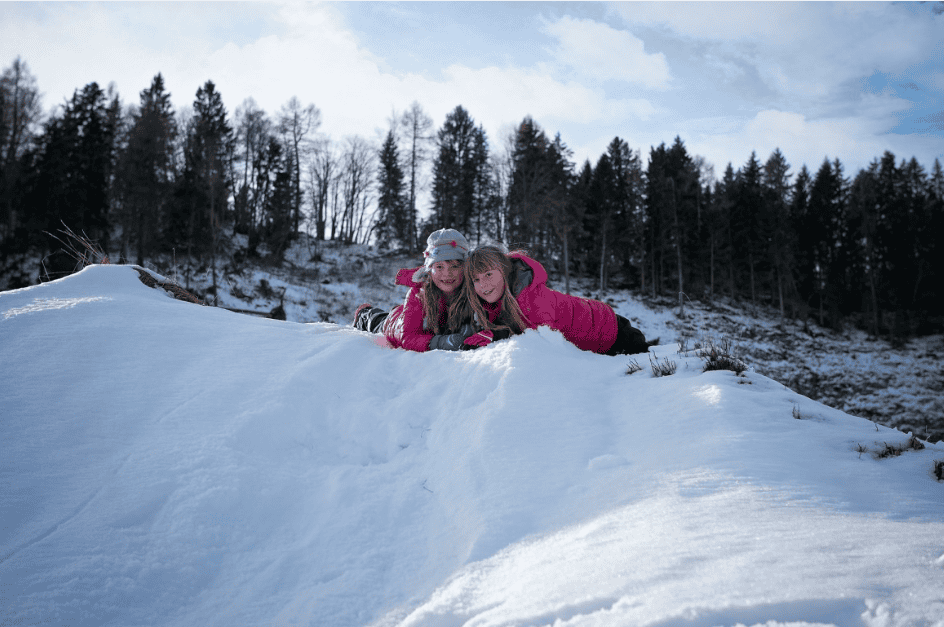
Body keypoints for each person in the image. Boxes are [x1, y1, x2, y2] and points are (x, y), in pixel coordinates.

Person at [461, 245, 650, 355]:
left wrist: (498, 336)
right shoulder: (495, 301)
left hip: (613, 331)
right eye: (476, 279)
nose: (483, 284)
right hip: (599, 329)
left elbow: (541, 342)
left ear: (504, 271)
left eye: (488, 274)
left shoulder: (531, 299)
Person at [352, 228, 481, 352]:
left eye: (454, 266)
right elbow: (407, 337)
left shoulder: (474, 289)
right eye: (440, 266)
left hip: (411, 316)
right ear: (429, 270)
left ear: (465, 268)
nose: (447, 273)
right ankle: (365, 314)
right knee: (380, 322)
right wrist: (440, 342)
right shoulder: (420, 293)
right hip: (396, 324)